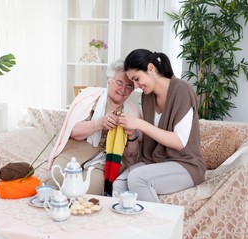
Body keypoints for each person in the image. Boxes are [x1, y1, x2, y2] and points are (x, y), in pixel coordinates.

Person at [114, 49, 206, 202]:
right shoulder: (147, 96)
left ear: (151, 69)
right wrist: (133, 132)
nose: (136, 86)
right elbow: (151, 137)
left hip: (186, 164)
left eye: (137, 79)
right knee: (118, 185)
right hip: (156, 161)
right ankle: (129, 224)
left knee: (137, 178)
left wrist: (140, 124)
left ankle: (158, 224)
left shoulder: (182, 90)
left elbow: (179, 141)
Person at [47, 59, 142, 195]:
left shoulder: (133, 111)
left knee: (93, 188)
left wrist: (132, 135)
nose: (123, 90)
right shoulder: (90, 97)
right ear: (109, 81)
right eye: (119, 83)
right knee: (55, 178)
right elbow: (73, 131)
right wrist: (99, 123)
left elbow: (131, 154)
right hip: (75, 151)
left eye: (129, 87)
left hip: (107, 159)